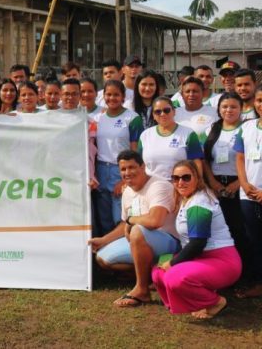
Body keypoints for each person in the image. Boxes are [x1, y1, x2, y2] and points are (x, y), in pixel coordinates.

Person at [89, 150, 179, 308]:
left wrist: (131, 221)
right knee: (103, 258)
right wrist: (103, 240)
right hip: (142, 240)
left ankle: (142, 290)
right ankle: (153, 275)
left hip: (170, 243)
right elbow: (125, 224)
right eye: (123, 169)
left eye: (131, 167)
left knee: (137, 231)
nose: (127, 172)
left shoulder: (159, 186)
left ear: (143, 167)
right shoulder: (127, 191)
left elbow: (155, 221)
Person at [152, 160, 241, 318]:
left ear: (197, 178)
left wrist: (173, 263)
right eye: (176, 178)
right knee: (158, 270)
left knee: (174, 276)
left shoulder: (199, 203)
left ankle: (215, 302)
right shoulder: (187, 198)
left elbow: (198, 243)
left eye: (186, 177)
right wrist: (170, 262)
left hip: (222, 261)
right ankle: (196, 301)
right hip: (200, 258)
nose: (180, 182)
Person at [199, 92, 251, 278]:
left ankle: (245, 271)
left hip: (240, 184)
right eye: (225, 106)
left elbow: (250, 160)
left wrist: (238, 183)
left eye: (233, 107)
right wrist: (213, 183)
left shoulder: (247, 129)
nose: (229, 110)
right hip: (215, 185)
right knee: (220, 228)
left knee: (240, 228)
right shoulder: (210, 130)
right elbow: (204, 159)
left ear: (241, 109)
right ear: (219, 109)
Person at [93, 80, 143, 235]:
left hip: (121, 170)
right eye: (108, 94)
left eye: (116, 95)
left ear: (123, 97)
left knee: (120, 215)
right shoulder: (98, 118)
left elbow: (136, 152)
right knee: (104, 217)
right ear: (103, 96)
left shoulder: (132, 118)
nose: (112, 98)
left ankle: (122, 245)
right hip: (101, 169)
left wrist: (125, 179)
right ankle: (105, 247)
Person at [233, 84, 262, 298]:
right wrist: (243, 183)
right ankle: (258, 282)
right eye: (260, 101)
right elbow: (240, 157)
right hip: (248, 195)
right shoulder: (247, 127)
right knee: (253, 239)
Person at [138, 96, 203, 181]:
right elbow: (139, 164)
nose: (162, 114)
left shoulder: (188, 133)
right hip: (151, 185)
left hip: (179, 184)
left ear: (174, 112)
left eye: (166, 110)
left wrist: (198, 181)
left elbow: (196, 162)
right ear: (153, 115)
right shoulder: (145, 135)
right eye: (158, 112)